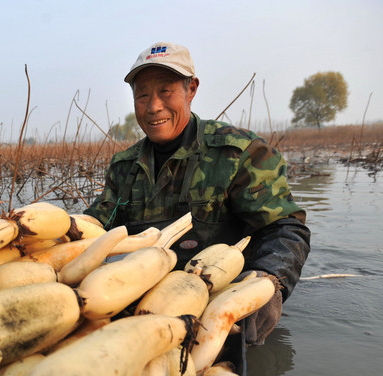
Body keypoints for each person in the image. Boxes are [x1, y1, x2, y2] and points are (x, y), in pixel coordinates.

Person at [84, 41, 311, 345]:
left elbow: (284, 228)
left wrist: (269, 282)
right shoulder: (124, 166)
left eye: (166, 91)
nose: (153, 107)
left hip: (213, 305)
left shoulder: (239, 152)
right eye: (142, 94)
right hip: (144, 303)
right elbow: (97, 225)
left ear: (191, 89)